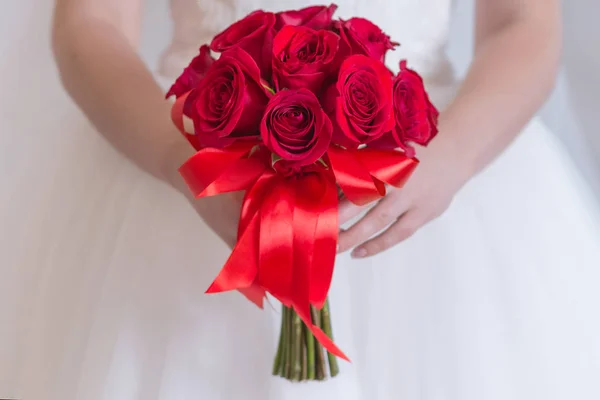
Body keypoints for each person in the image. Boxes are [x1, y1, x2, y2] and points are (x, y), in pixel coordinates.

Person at [2, 0, 600, 398]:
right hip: (185, 168)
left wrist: (452, 158)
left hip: (436, 184)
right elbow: (89, 26)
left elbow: (524, 23)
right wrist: (190, 167)